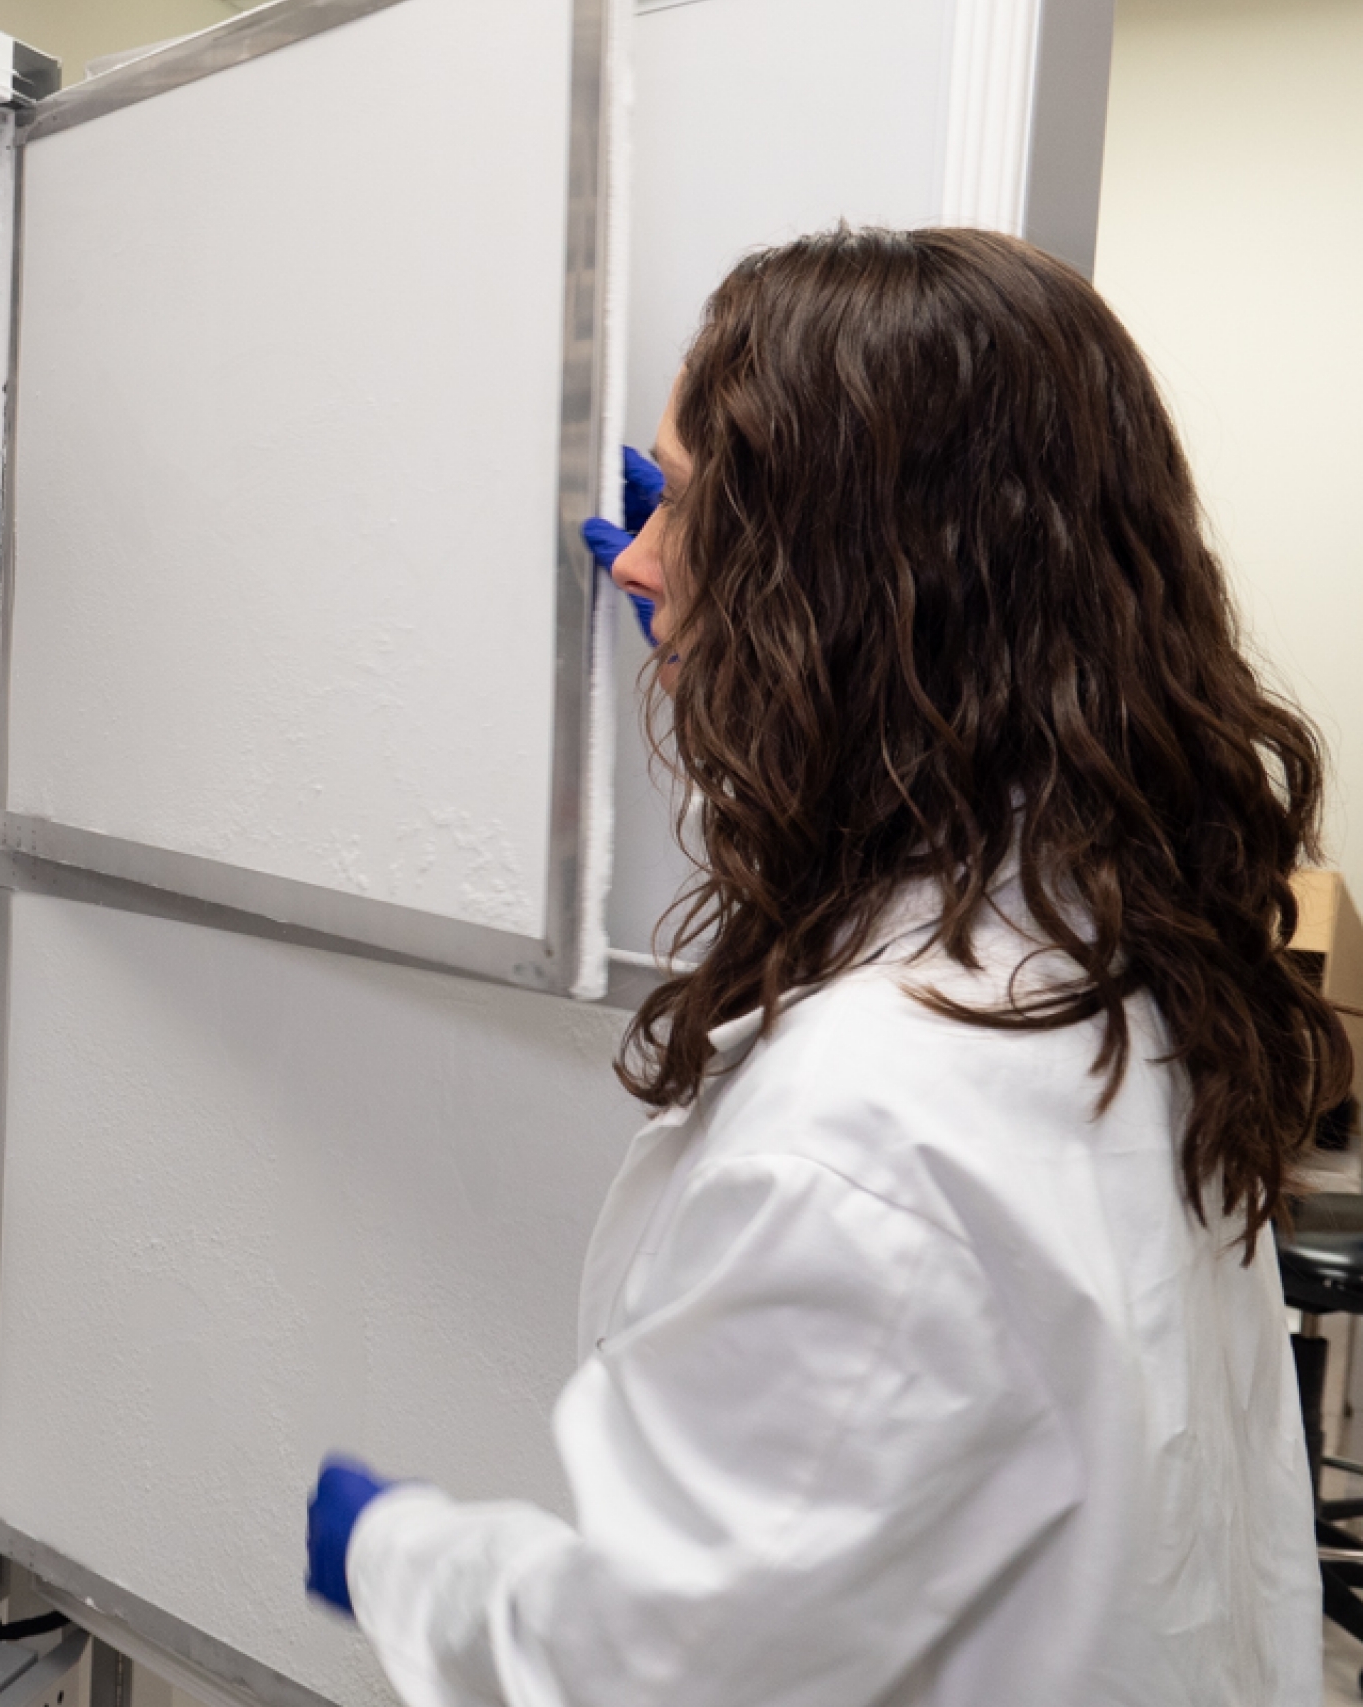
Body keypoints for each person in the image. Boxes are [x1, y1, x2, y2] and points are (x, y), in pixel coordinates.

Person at [304, 226, 1350, 1706]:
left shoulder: (870, 1130)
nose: (649, 557)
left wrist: (400, 1557)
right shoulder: (1121, 942)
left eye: (699, 510)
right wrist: (715, 578)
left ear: (844, 589)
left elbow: (646, 1668)